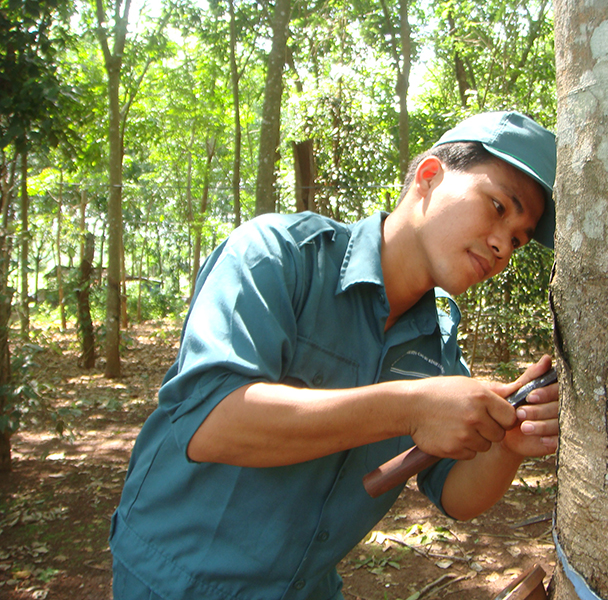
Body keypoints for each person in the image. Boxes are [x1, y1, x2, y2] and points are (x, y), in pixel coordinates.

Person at [109, 110, 559, 600]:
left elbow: (452, 490)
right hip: (178, 581)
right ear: (429, 176)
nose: (501, 247)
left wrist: (508, 444)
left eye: (517, 239)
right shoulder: (278, 256)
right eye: (497, 207)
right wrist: (410, 408)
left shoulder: (436, 339)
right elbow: (209, 421)